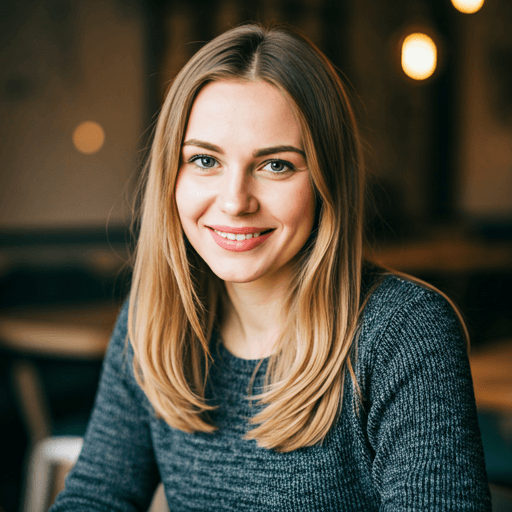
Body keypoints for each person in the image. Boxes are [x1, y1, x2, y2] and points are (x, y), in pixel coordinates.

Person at [50, 23, 491, 511]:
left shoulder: (403, 331)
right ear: (170, 178)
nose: (235, 201)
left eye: (275, 165)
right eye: (204, 161)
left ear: (328, 181)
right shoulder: (152, 322)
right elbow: (97, 497)